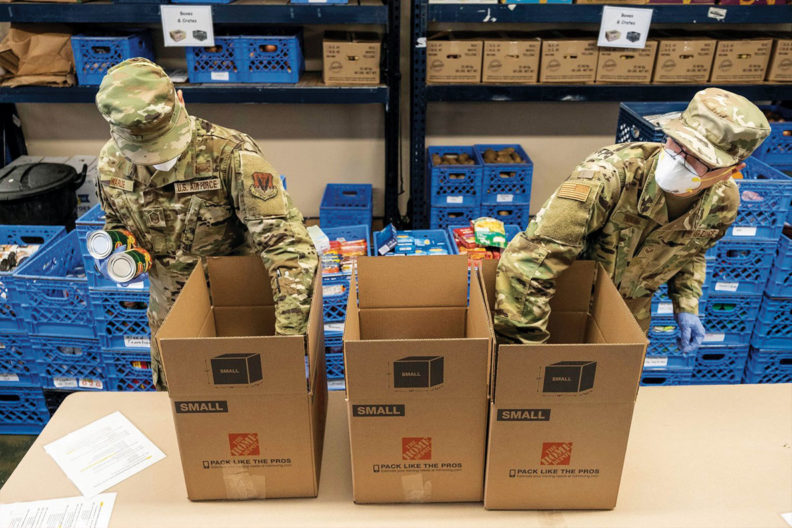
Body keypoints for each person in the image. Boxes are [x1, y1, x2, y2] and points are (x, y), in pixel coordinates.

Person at [94, 58, 318, 391]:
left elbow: (289, 249)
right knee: (180, 409)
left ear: (180, 101)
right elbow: (115, 221)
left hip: (233, 313)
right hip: (167, 319)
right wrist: (118, 252)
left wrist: (286, 340)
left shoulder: (231, 156)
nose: (155, 159)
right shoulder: (111, 161)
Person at [494, 88, 771, 354]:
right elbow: (527, 265)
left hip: (629, 314)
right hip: (559, 307)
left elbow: (691, 250)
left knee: (609, 393)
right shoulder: (609, 177)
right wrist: (526, 353)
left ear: (730, 171)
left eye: (699, 158)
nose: (678, 159)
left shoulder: (722, 202)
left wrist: (686, 304)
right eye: (677, 142)